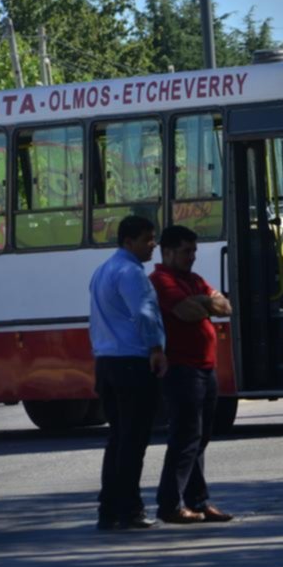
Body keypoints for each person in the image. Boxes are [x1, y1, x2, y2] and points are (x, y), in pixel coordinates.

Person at [150, 225, 234, 524]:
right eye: (187, 251)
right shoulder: (161, 280)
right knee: (185, 438)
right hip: (182, 369)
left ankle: (198, 501)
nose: (192, 257)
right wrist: (205, 302)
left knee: (200, 438)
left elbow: (226, 306)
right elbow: (185, 311)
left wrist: (205, 303)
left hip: (204, 368)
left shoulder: (192, 278)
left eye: (194, 251)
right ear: (168, 251)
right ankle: (169, 504)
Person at [89, 215, 167, 531]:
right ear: (128, 241)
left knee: (118, 439)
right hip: (132, 364)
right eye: (148, 239)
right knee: (133, 440)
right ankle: (130, 509)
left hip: (106, 363)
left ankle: (108, 509)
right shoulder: (132, 273)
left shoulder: (103, 270)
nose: (153, 245)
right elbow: (146, 314)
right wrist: (157, 349)